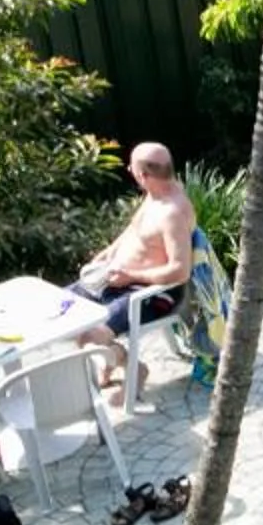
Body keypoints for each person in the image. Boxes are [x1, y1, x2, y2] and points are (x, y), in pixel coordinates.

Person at [78, 141, 195, 405]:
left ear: (143, 175)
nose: (129, 169)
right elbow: (135, 228)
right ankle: (113, 359)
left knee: (90, 336)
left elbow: (180, 271)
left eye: (131, 166)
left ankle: (133, 368)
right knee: (64, 310)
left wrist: (131, 276)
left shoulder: (172, 213)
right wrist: (110, 251)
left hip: (152, 294)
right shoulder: (155, 192)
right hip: (119, 278)